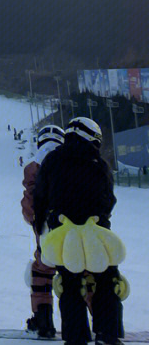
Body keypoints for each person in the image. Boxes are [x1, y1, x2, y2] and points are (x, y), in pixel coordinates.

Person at [34, 117, 125, 345]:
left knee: (69, 284)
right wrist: (100, 219)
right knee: (106, 280)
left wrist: (43, 226)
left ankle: (75, 337)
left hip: (64, 234)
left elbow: (40, 196)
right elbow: (108, 198)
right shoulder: (97, 162)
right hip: (95, 233)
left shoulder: (53, 160)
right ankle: (107, 334)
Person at [21, 124, 64, 338]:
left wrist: (37, 221)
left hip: (47, 233)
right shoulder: (75, 160)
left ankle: (43, 320)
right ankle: (101, 320)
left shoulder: (34, 167)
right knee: (84, 273)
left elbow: (28, 208)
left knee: (42, 273)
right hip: (77, 230)